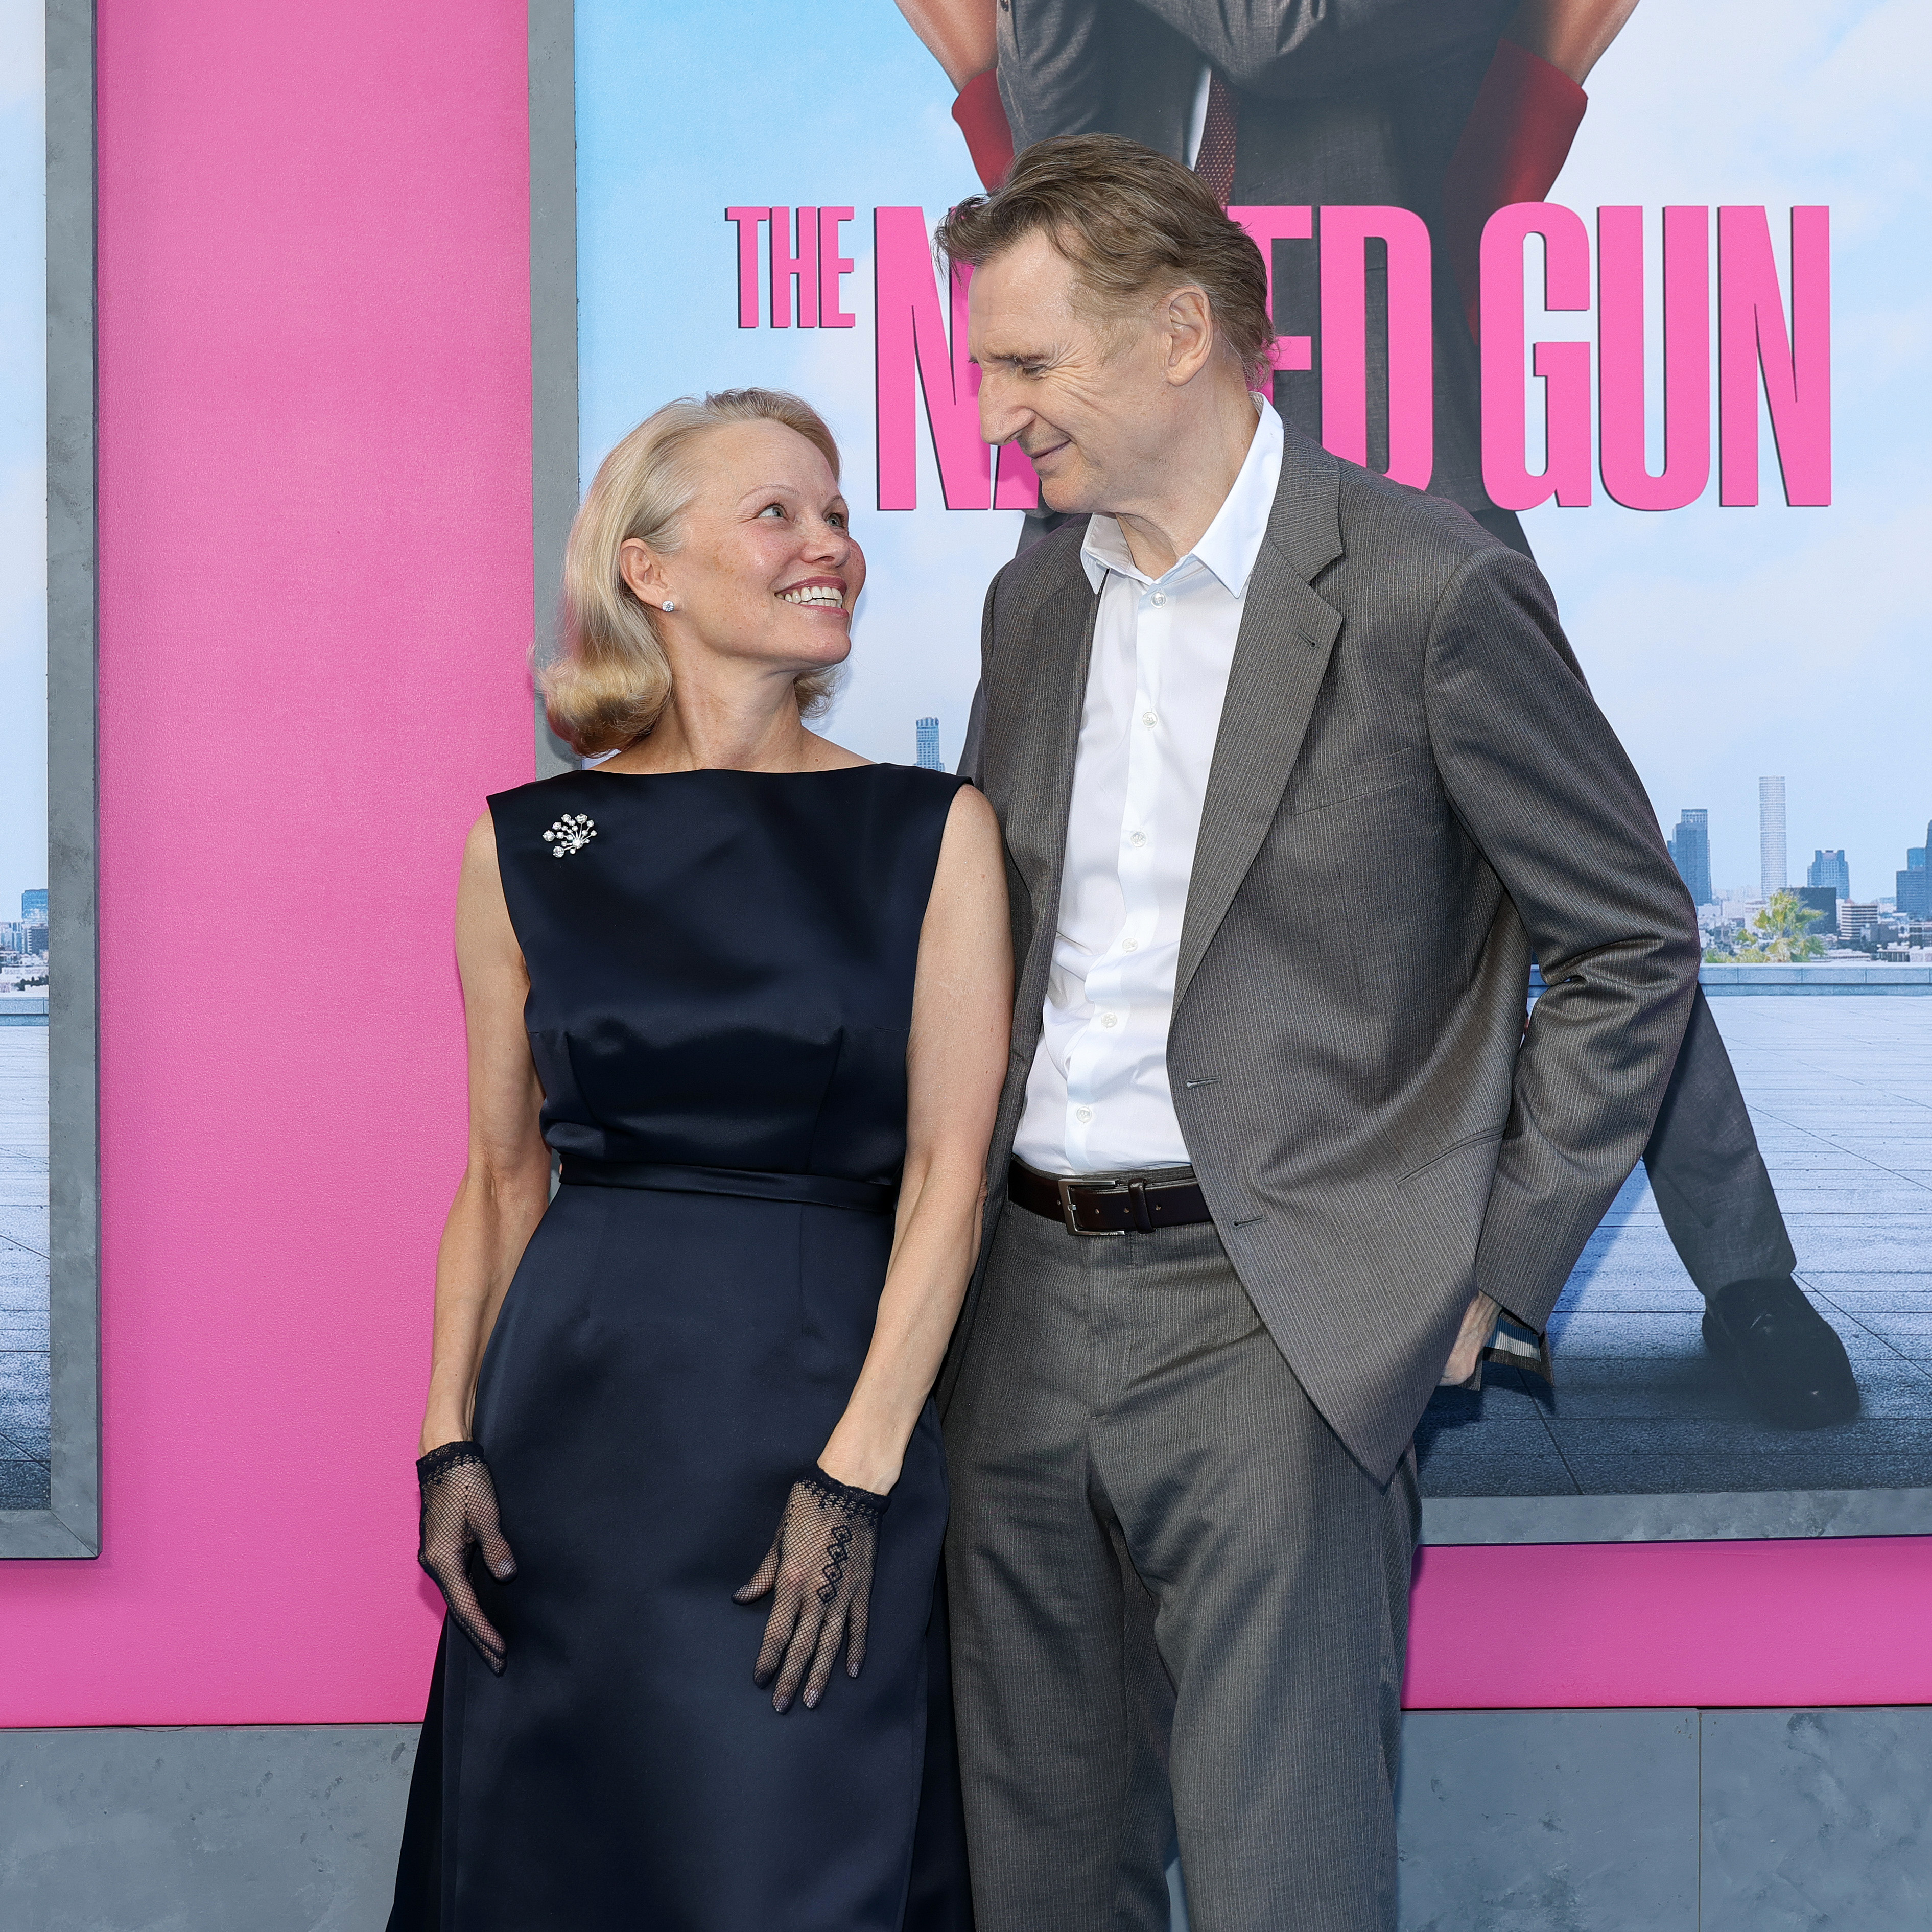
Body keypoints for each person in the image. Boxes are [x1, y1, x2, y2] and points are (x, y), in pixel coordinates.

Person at [931, 135, 1701, 1930]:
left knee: (1290, 1885)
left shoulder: (1430, 586)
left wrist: (1494, 1275)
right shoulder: (1031, 596)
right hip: (1020, 1306)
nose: (992, 416)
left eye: (1027, 366)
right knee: (1040, 1878)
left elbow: (1626, 941)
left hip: (1279, 1323)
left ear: (1180, 332)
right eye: (983, 369)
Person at [897, 0, 1858, 1429]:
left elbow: (1285, 40)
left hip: (1399, 447)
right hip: (1138, 466)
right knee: (1025, 852)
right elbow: (1061, 144)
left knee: (1577, 866)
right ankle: (979, 1257)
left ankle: (1748, 1273)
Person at [386, 388, 1007, 1930]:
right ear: (650, 572)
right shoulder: (527, 841)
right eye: (779, 512)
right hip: (574, 1444)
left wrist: (855, 1476)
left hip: (819, 1422)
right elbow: (501, 1175)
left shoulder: (932, 830)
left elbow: (949, 1177)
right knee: (560, 1865)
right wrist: (449, 1438)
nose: (832, 547)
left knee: (799, 1861)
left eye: (841, 513)